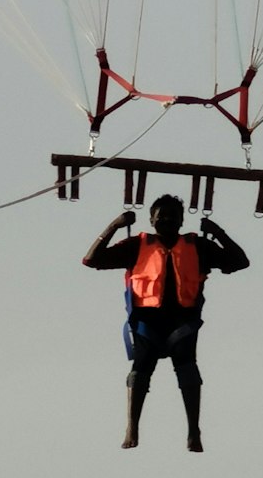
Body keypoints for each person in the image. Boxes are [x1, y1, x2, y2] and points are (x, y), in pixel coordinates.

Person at [82, 193, 249, 452]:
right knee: (140, 369)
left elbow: (240, 261)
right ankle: (132, 426)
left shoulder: (199, 246)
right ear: (151, 220)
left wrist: (218, 232)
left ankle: (193, 430)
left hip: (182, 323)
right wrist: (115, 225)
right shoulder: (137, 246)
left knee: (187, 367)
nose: (167, 221)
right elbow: (92, 260)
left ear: (182, 220)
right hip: (146, 323)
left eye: (173, 217)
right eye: (161, 217)